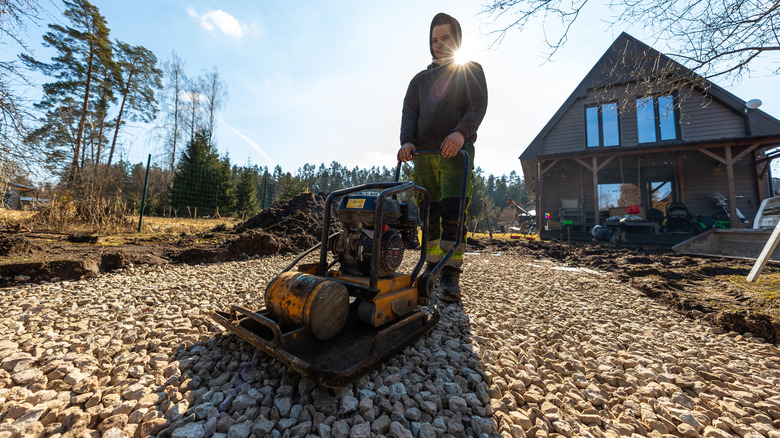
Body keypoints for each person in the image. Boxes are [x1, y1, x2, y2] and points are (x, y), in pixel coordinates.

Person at [397, 12, 488, 303]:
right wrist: (406, 142)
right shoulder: (419, 80)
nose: (438, 44)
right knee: (429, 214)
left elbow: (477, 105)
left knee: (452, 212)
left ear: (457, 39)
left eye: (445, 37)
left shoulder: (470, 70)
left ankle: (450, 274)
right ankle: (432, 266)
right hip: (423, 155)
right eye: (434, 39)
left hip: (454, 153)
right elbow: (409, 113)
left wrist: (461, 133)